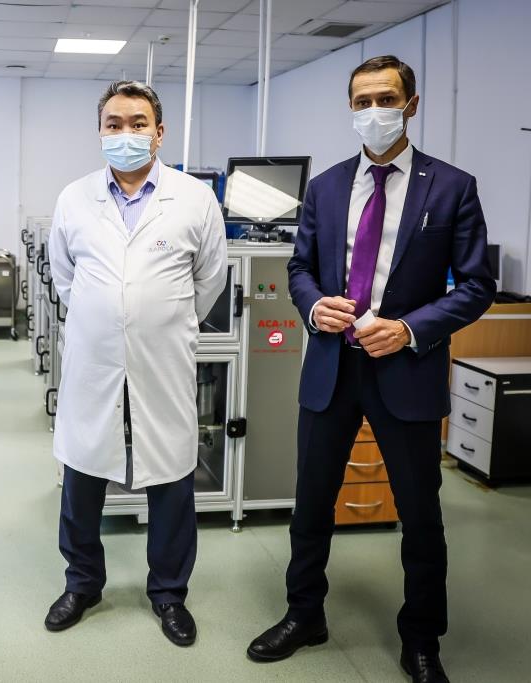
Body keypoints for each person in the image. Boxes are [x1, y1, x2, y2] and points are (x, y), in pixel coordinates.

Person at [246, 56, 495, 683]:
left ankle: (422, 640)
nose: (374, 111)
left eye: (386, 98)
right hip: (332, 367)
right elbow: (299, 269)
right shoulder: (327, 187)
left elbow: (476, 286)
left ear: (411, 104)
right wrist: (313, 306)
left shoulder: (451, 187)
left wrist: (409, 329)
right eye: (362, 101)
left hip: (405, 370)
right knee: (311, 504)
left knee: (421, 514)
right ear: (351, 109)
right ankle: (304, 614)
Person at [45, 81, 227, 647]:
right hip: (93, 361)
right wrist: (110, 317)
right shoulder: (74, 198)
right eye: (115, 124)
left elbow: (209, 282)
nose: (126, 133)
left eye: (138, 123)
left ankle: (169, 593)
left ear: (159, 132)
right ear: (100, 131)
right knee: (82, 474)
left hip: (162, 360)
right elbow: (65, 278)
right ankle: (82, 583)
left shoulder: (195, 198)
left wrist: (152, 319)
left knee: (170, 476)